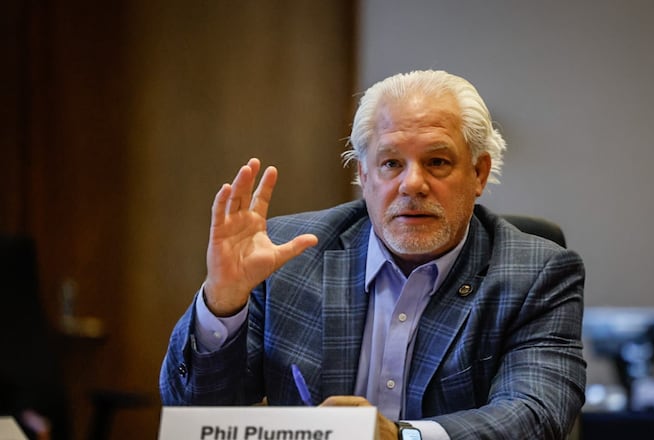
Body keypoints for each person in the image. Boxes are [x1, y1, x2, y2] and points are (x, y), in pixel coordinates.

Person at [160, 70, 586, 439]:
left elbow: (536, 416)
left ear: (478, 173)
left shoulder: (536, 273)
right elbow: (195, 406)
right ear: (363, 176)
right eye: (390, 164)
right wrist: (221, 304)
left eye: (437, 162)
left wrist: (402, 438)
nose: (412, 184)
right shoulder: (285, 255)